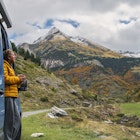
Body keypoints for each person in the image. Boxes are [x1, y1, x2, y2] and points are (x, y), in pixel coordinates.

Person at [3, 49, 26, 140]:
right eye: (13, 55)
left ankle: (11, 138)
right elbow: (5, 79)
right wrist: (17, 79)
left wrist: (20, 80)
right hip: (8, 96)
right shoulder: (4, 65)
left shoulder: (9, 66)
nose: (15, 56)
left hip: (12, 95)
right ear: (9, 57)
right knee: (10, 121)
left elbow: (12, 82)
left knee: (16, 120)